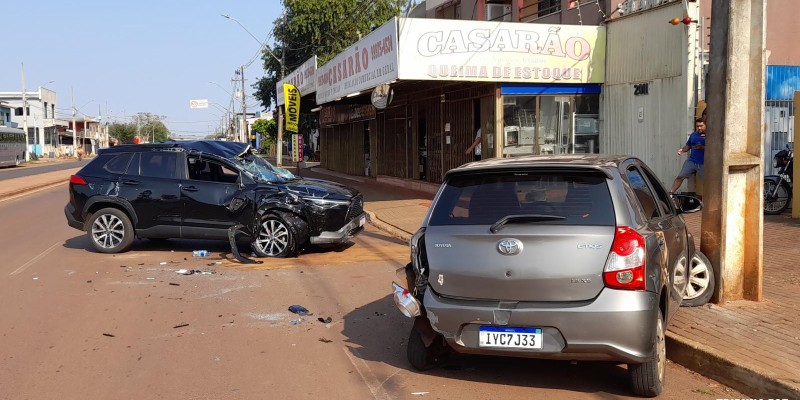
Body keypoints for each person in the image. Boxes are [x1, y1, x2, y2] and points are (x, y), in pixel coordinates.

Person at [670, 118, 706, 194]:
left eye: (701, 126)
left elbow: (715, 149)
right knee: (680, 177)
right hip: (692, 161)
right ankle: (671, 194)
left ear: (705, 125)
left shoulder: (710, 136)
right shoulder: (693, 135)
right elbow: (688, 146)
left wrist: (702, 147)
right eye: (697, 126)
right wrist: (682, 150)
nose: (699, 128)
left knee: (708, 183)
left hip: (704, 164)